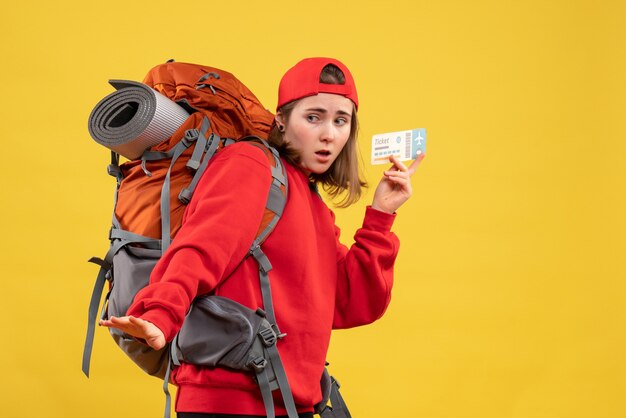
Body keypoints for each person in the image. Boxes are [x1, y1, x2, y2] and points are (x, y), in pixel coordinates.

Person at [101, 57, 423, 418]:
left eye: (340, 120)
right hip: (229, 403)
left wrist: (380, 217)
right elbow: (201, 247)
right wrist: (160, 312)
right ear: (282, 121)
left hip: (290, 402)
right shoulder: (251, 164)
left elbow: (351, 301)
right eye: (313, 117)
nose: (329, 134)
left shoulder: (312, 202)